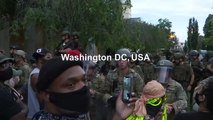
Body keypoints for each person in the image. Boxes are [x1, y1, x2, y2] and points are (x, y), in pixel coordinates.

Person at [105, 48, 144, 120]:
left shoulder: (135, 76)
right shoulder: (111, 75)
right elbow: (104, 92)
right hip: (113, 110)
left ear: (128, 60)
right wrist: (110, 98)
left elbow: (141, 95)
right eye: (119, 59)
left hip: (129, 109)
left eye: (124, 59)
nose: (121, 62)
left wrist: (134, 100)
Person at [27, 48, 52, 120]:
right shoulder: (36, 75)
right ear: (40, 60)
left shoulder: (42, 73)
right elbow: (42, 99)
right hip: (38, 115)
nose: (50, 59)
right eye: (48, 57)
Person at [0, 54, 27, 120]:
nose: (8, 68)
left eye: (10, 65)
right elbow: (19, 117)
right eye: (4, 65)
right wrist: (25, 108)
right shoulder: (2, 92)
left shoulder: (5, 87)